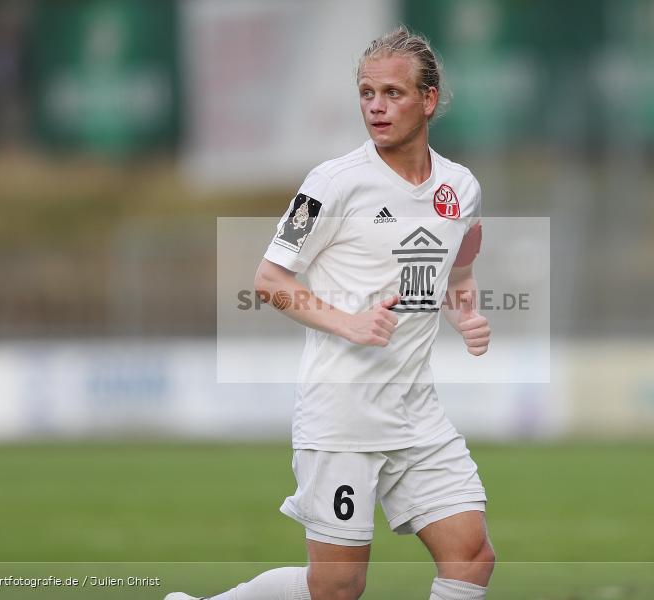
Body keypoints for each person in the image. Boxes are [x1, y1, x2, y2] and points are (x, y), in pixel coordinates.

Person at [166, 25, 493, 600]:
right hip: (341, 415)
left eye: (392, 93)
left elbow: (456, 267)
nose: (376, 106)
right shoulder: (328, 185)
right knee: (337, 589)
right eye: (367, 93)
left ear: (429, 99)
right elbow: (269, 279)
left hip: (416, 411)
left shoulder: (460, 188)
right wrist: (349, 322)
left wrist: (465, 313)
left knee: (470, 557)